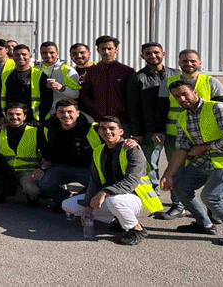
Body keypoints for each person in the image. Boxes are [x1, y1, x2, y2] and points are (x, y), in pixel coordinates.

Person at [161, 81, 223, 246]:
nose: (181, 99)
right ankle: (204, 225)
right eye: (176, 96)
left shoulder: (218, 108)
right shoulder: (182, 117)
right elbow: (181, 148)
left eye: (184, 94)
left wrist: (205, 148)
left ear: (195, 92)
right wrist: (168, 174)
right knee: (179, 185)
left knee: (211, 197)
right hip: (206, 161)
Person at [62, 116, 163, 246]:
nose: (107, 132)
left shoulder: (132, 149)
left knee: (113, 200)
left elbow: (132, 180)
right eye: (103, 128)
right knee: (68, 205)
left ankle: (137, 229)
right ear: (99, 132)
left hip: (140, 200)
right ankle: (120, 219)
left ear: (121, 131)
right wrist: (88, 206)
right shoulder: (98, 151)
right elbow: (95, 181)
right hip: (113, 198)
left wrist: (105, 192)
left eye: (112, 128)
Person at [155, 48, 223, 220]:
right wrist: (159, 130)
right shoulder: (168, 82)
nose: (188, 64)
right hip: (175, 134)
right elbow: (161, 109)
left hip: (205, 136)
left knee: (211, 172)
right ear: (179, 63)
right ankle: (178, 206)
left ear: (199, 63)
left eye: (192, 61)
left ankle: (213, 210)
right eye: (184, 61)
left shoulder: (211, 82)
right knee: (176, 171)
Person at [124, 43, 179, 203]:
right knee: (150, 167)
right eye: (148, 53)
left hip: (174, 129)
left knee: (175, 167)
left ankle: (178, 203)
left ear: (163, 53)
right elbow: (132, 108)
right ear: (143, 56)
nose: (153, 56)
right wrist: (137, 133)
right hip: (148, 130)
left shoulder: (176, 75)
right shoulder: (137, 78)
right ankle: (152, 200)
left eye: (156, 52)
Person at [34, 99, 100, 212]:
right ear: (56, 114)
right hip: (61, 167)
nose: (66, 115)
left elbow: (113, 142)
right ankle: (63, 202)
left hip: (88, 168)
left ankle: (83, 200)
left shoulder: (93, 128)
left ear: (77, 113)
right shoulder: (46, 128)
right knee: (44, 182)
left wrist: (129, 142)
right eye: (62, 112)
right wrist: (42, 168)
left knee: (98, 185)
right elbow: (47, 155)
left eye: (70, 112)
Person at [0, 103, 42, 205]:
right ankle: (2, 191)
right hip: (5, 170)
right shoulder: (0, 132)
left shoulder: (35, 131)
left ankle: (31, 196)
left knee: (33, 190)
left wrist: (41, 169)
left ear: (25, 116)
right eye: (10, 114)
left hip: (27, 171)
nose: (14, 117)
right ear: (6, 116)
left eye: (18, 114)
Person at [79, 36, 134, 122]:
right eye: (103, 49)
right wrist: (93, 109)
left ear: (116, 49)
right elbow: (85, 94)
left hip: (121, 121)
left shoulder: (127, 71)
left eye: (109, 49)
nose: (106, 52)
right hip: (97, 120)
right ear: (98, 50)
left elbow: (132, 96)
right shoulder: (91, 71)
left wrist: (123, 109)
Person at [0, 44, 51, 124]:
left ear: (30, 56)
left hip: (32, 120)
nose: (20, 57)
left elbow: (47, 99)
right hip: (11, 119)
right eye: (17, 55)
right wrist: (1, 116)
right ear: (13, 57)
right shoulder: (5, 75)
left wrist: (40, 118)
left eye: (24, 54)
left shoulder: (40, 75)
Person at [37, 41, 81, 115]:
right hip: (40, 113)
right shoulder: (36, 69)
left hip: (60, 114)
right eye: (44, 53)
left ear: (57, 53)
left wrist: (61, 88)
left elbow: (76, 94)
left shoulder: (68, 70)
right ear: (40, 53)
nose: (48, 55)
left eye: (51, 53)